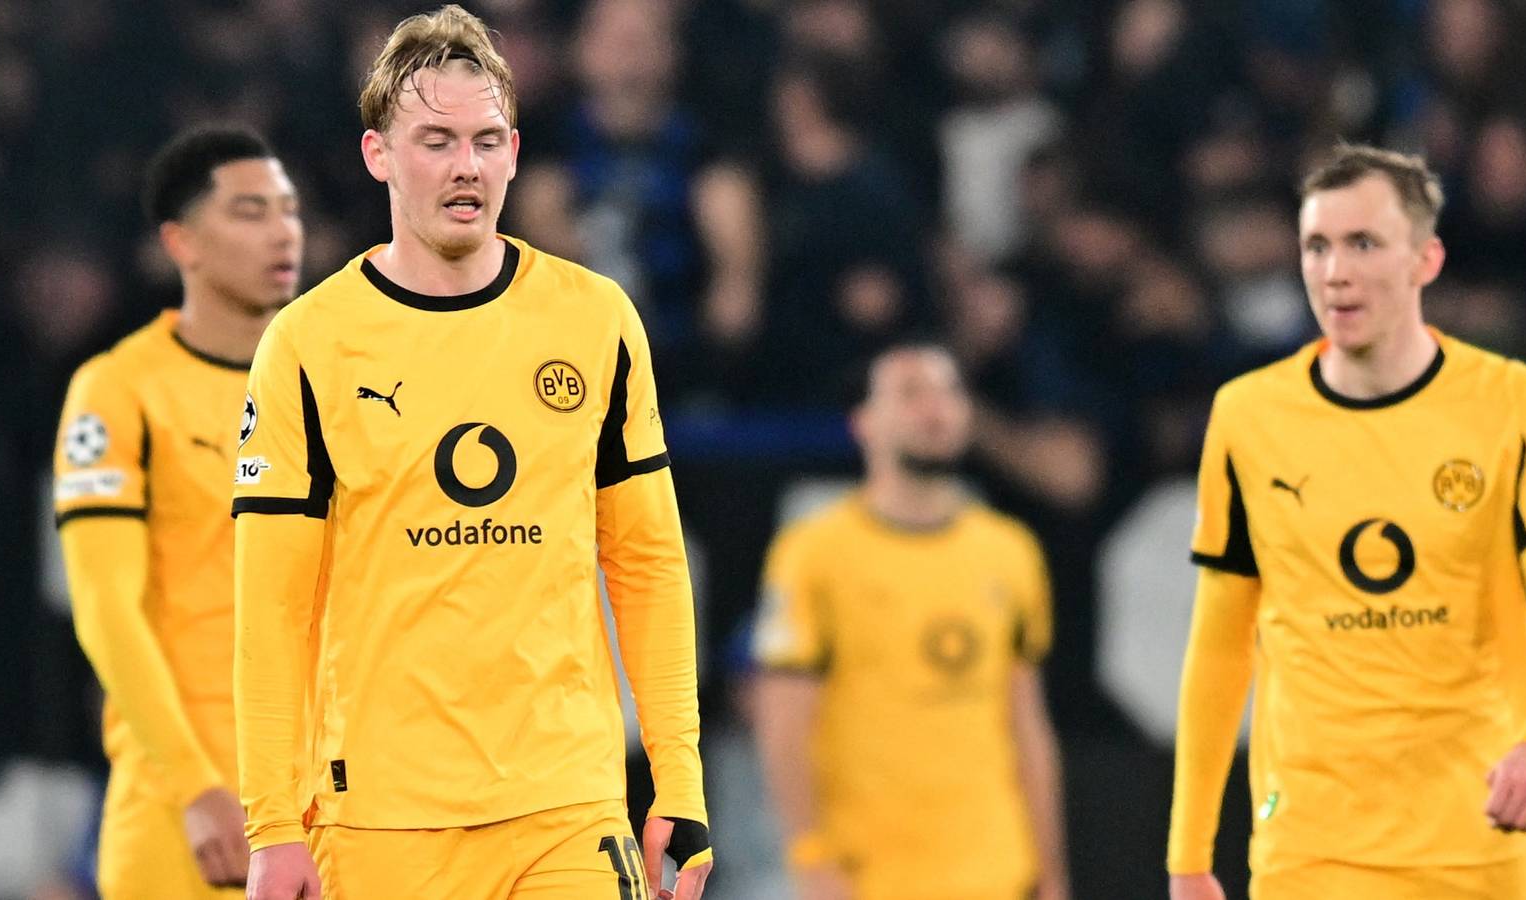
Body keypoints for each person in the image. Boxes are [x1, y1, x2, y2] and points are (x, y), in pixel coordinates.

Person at [230, 7, 712, 900]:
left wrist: (677, 777)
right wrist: (271, 824)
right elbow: (271, 607)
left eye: (487, 141)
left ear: (515, 152)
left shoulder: (595, 320)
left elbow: (647, 561)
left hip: (566, 807)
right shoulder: (309, 345)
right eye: (437, 140)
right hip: (379, 819)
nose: (467, 166)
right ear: (378, 154)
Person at [1168, 143, 1526, 899]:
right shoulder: (1249, 416)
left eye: (1364, 244)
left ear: (1425, 261)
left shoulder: (1515, 404)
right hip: (1310, 844)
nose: (1334, 271)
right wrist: (1189, 852)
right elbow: (1220, 641)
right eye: (1317, 246)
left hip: (1476, 833)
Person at [54, 126, 303, 899]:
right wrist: (196, 788)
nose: (283, 232)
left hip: (327, 805)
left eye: (289, 210)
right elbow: (106, 609)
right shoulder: (118, 389)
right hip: (184, 817)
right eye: (251, 212)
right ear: (181, 243)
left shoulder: (334, 389)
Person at [751, 343, 1071, 900]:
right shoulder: (814, 554)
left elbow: (1028, 725)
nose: (935, 408)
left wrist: (1051, 871)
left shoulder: (1009, 551)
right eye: (910, 393)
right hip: (871, 876)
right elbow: (782, 722)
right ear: (864, 423)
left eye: (949, 392)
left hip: (996, 871)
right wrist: (810, 856)